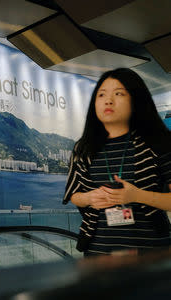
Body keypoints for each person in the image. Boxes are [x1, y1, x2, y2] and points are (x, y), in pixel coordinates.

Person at [63, 68, 171, 255]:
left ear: (136, 99)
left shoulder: (159, 142)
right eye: (101, 94)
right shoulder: (83, 148)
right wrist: (90, 198)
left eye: (119, 93)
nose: (108, 100)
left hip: (152, 252)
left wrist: (137, 196)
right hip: (98, 252)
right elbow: (74, 194)